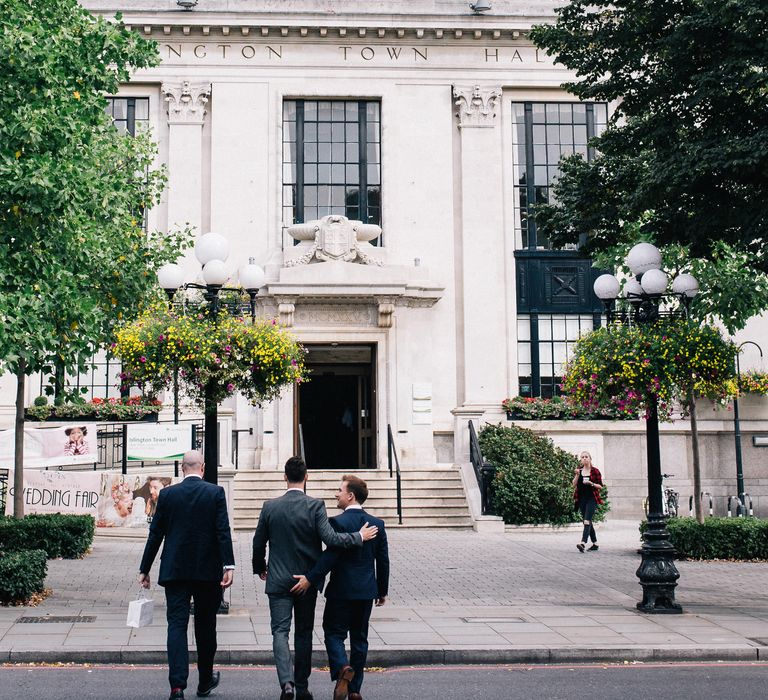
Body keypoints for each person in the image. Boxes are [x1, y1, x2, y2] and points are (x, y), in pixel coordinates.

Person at [252, 457, 378, 700]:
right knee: (303, 633)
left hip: (278, 578)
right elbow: (331, 540)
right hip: (305, 582)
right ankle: (302, 686)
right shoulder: (316, 506)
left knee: (279, 631)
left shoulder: (270, 506)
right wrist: (359, 537)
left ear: (284, 477)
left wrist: (260, 567)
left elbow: (259, 542)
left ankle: (286, 683)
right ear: (306, 477)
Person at [138, 450, 235, 700]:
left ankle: (177, 687)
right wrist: (229, 566)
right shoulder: (215, 493)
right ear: (202, 467)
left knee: (176, 625)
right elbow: (222, 530)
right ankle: (205, 681)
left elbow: (155, 534)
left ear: (182, 468)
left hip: (176, 571)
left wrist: (144, 568)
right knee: (206, 626)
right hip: (207, 571)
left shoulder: (168, 495)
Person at [292, 475, 389, 700]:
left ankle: (342, 668)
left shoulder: (337, 522)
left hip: (341, 590)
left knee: (333, 633)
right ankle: (354, 690)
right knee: (360, 638)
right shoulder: (378, 524)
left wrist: (310, 578)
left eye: (339, 490)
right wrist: (382, 590)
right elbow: (383, 560)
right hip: (366, 591)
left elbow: (330, 557)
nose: (336, 494)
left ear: (350, 495)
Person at [573, 451, 604, 552]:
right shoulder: (579, 471)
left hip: (592, 499)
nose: (584, 458)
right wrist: (577, 475)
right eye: (582, 457)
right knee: (587, 521)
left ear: (590, 459)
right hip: (582, 499)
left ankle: (583, 542)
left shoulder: (595, 471)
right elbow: (573, 484)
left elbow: (600, 486)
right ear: (581, 460)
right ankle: (595, 544)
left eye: (586, 457)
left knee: (586, 521)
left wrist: (592, 484)